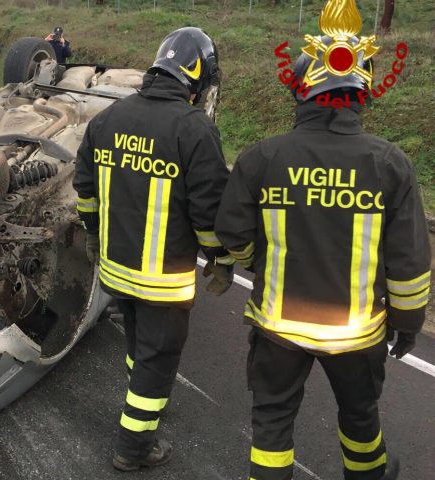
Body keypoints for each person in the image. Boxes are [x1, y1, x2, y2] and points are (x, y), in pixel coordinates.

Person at [214, 4, 430, 478]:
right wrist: (409, 324)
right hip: (356, 333)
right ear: (360, 94)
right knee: (359, 418)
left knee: (271, 422)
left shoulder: (262, 158)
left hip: (278, 328)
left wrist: (260, 262)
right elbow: (409, 263)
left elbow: (231, 234)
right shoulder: (391, 165)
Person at [73, 27, 234, 471]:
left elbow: (84, 189)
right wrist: (220, 259)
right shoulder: (193, 129)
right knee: (158, 359)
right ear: (196, 77)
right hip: (163, 279)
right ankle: (135, 446)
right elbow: (208, 214)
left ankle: (143, 400)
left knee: (139, 345)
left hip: (116, 268)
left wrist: (92, 233)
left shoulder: (107, 119)